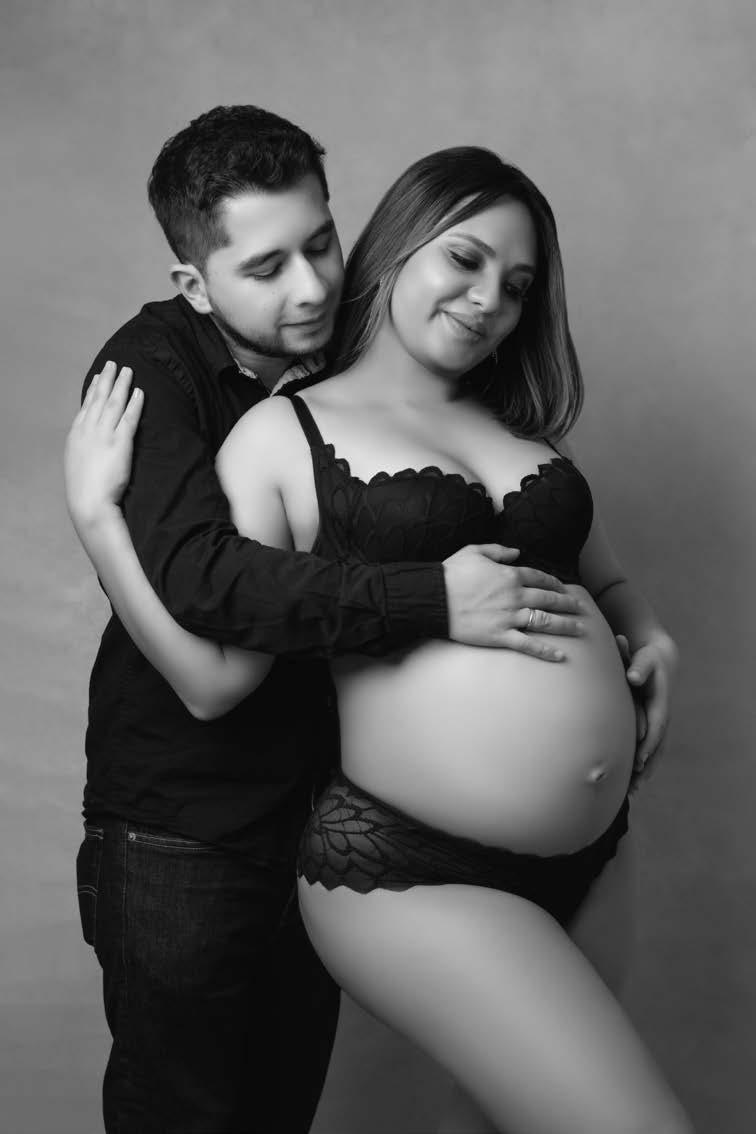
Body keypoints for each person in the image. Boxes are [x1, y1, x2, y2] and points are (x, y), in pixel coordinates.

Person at [66, 145, 689, 1132]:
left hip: (591, 850)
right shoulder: (276, 430)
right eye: (466, 260)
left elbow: (600, 578)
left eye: (518, 285)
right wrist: (98, 518)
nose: (489, 299)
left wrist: (649, 636)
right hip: (397, 861)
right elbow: (216, 664)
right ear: (400, 246)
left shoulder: (524, 431)